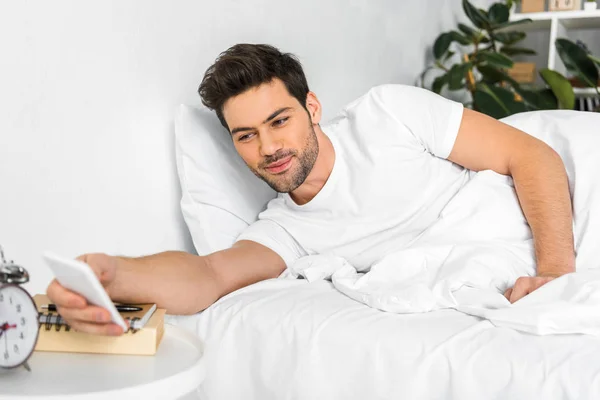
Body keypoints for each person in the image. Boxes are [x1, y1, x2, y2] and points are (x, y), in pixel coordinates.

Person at [47, 44, 575, 336]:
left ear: (313, 108)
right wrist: (116, 274)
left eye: (279, 121)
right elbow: (207, 275)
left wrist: (554, 274)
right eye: (246, 136)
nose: (269, 147)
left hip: (543, 213)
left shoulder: (388, 114)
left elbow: (530, 155)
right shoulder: (285, 231)